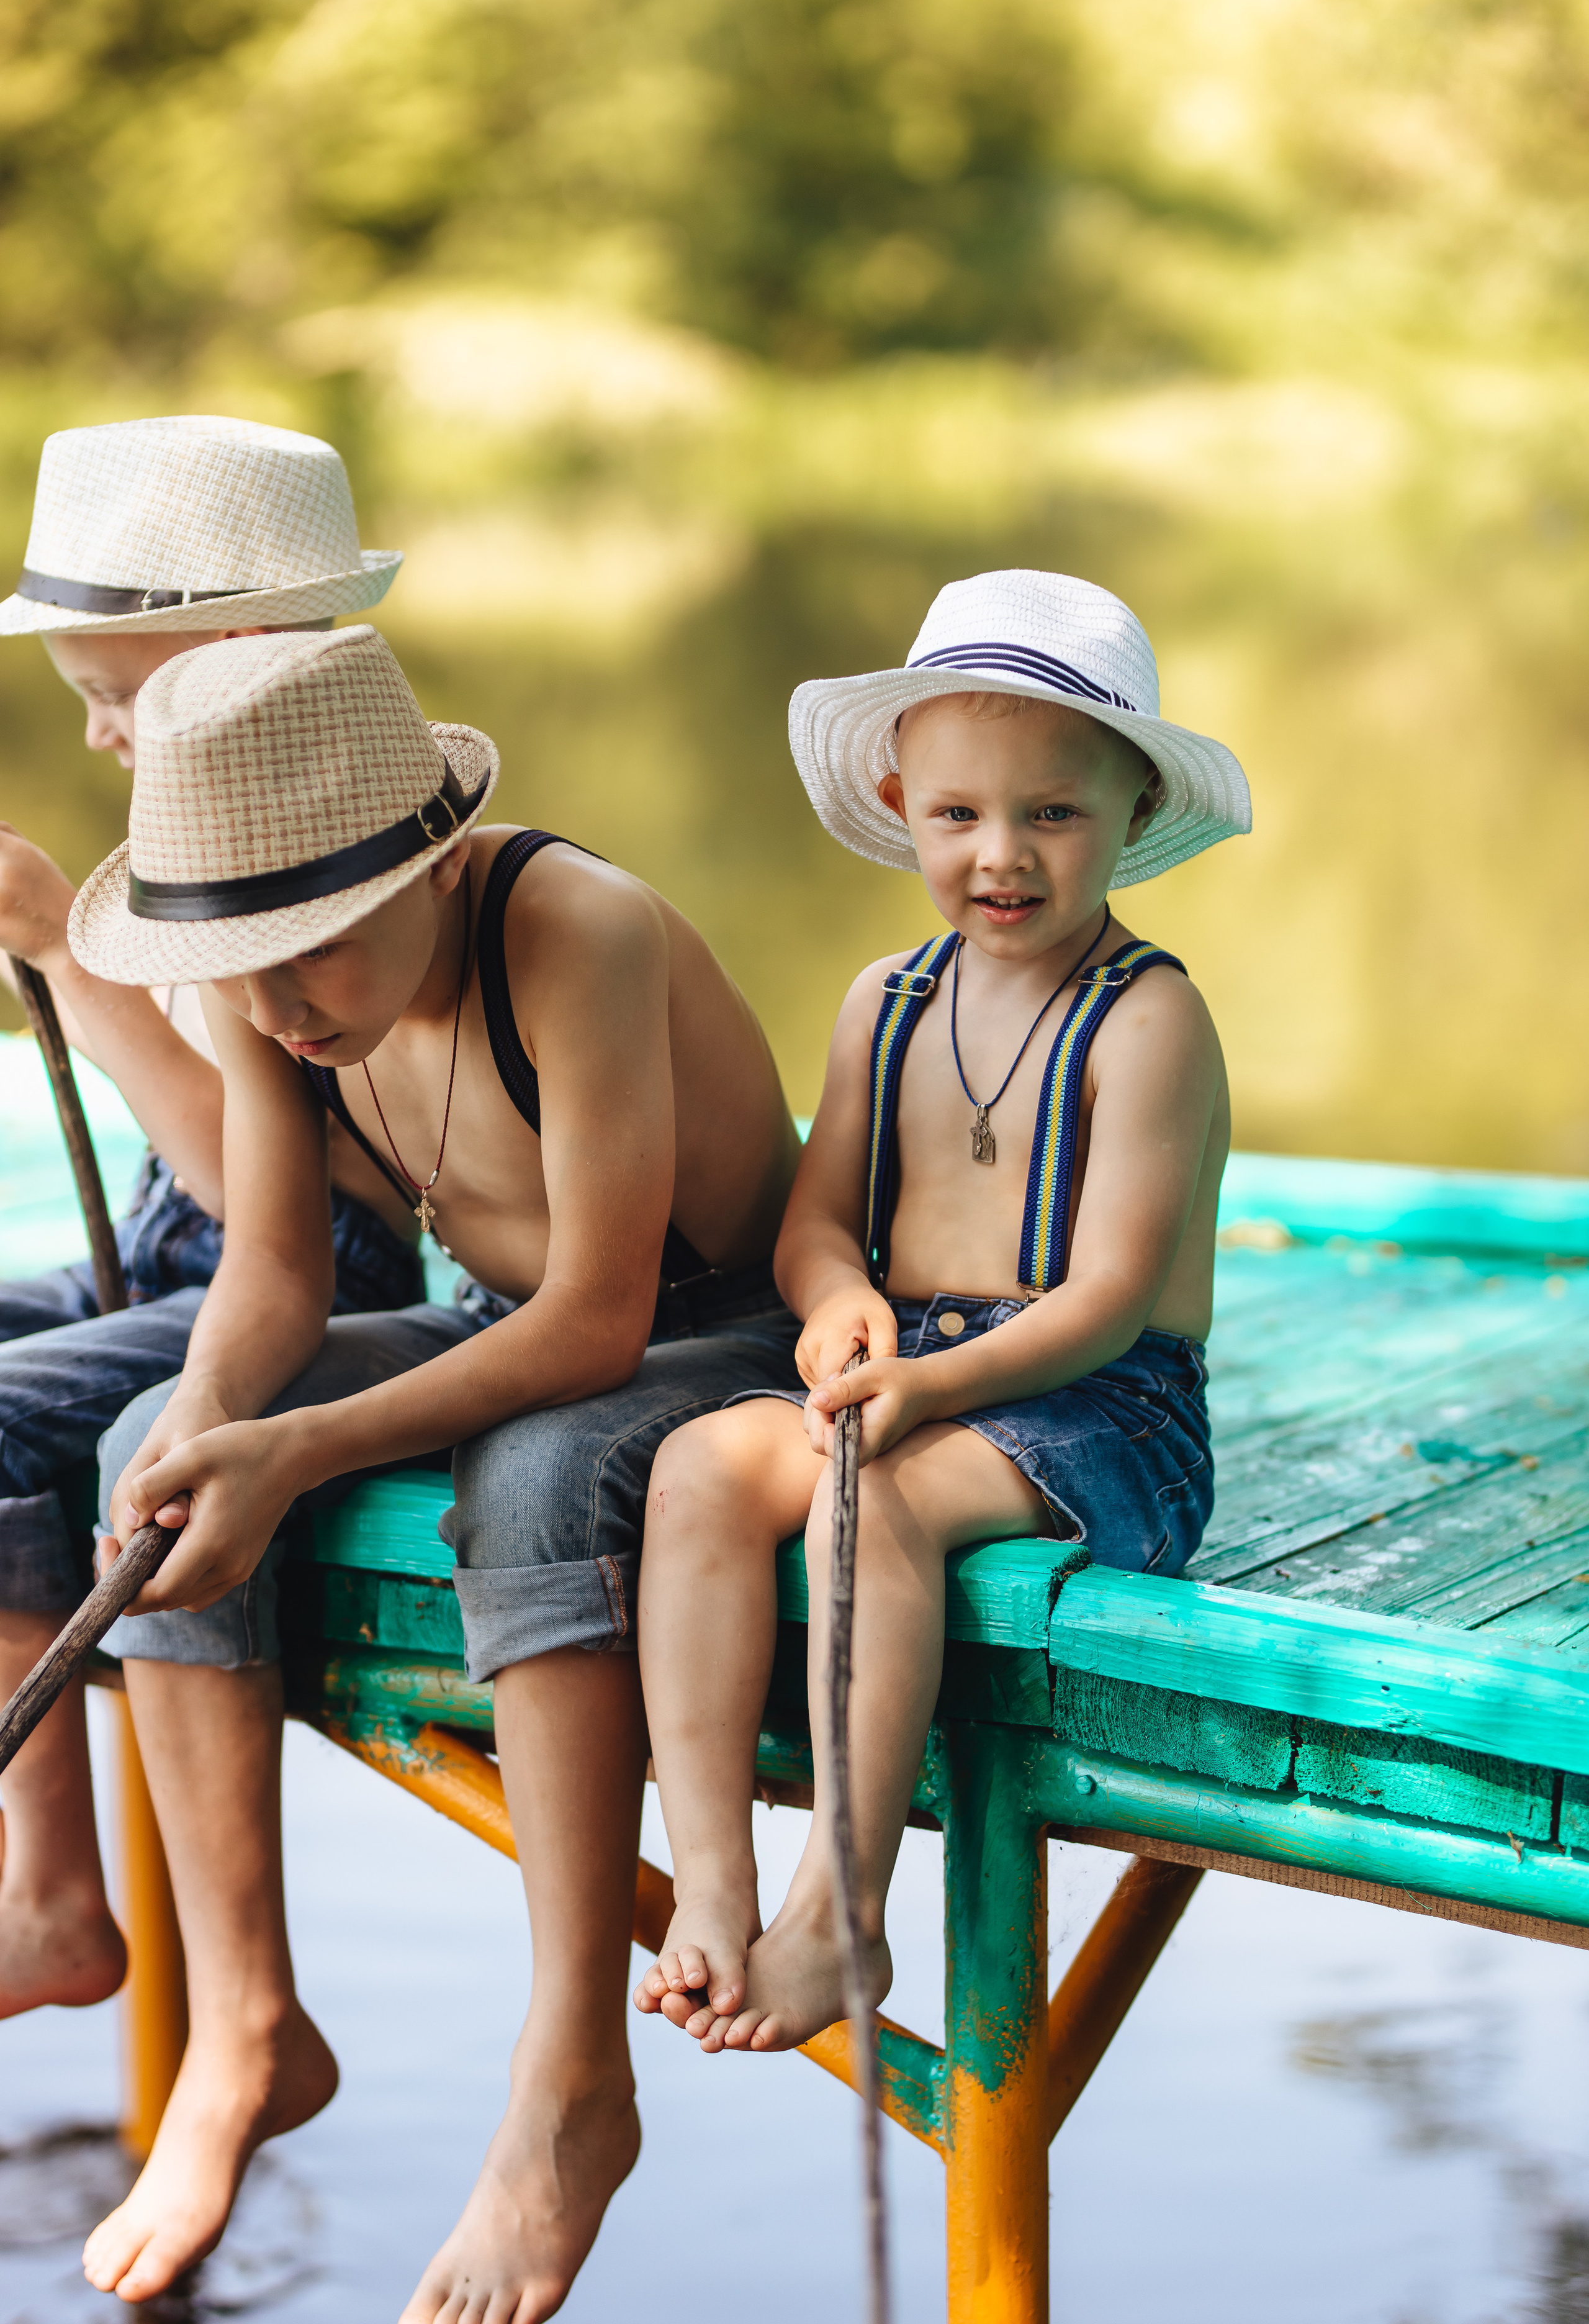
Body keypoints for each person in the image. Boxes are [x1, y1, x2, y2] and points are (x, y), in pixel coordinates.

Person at [77, 623, 801, 2311]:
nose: (274, 1008)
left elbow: (599, 1327)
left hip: (714, 1332)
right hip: (507, 1316)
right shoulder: (272, 980)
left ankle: (569, 2082)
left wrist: (298, 1447)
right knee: (147, 1442)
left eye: (310, 951)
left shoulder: (575, 931)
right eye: (240, 965)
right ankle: (245, 2021)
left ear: (431, 853)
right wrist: (208, 1438)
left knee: (537, 1478)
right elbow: (274, 1279)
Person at [632, 568, 1251, 2052]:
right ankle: (715, 1885)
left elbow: (1107, 1299)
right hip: (913, 1366)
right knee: (699, 1468)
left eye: (1053, 814)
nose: (1003, 856)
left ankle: (843, 1912)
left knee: (874, 1510)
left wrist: (923, 1392)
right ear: (903, 799)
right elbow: (819, 1216)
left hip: (1104, 1405)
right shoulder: (885, 1001)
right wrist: (839, 1296)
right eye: (960, 814)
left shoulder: (1149, 1017)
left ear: (1126, 816)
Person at [0, 416, 425, 2027]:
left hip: (302, 1264)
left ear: (230, 656)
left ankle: (49, 1893)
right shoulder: (200, 832)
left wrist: (62, 956)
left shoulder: (302, 860)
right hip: (200, 1234)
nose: (104, 739)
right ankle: (42, 1885)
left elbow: (284, 1210)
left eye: (114, 697)